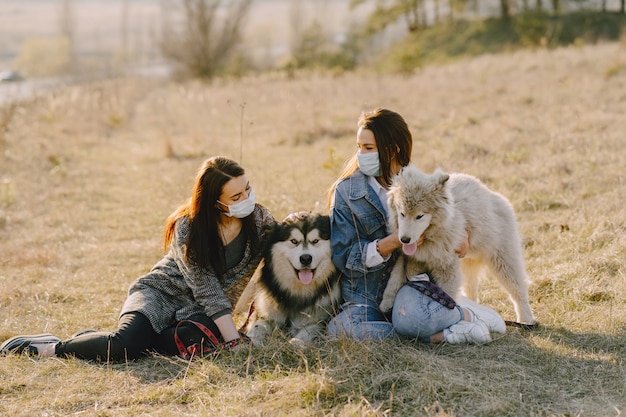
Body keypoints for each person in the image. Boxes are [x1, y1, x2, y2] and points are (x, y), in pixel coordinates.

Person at [1, 156, 275, 361]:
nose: (247, 199)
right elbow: (206, 288)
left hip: (195, 314)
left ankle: (102, 338)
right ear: (215, 202)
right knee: (123, 347)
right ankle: (51, 347)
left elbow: (286, 244)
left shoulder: (259, 220)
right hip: (160, 294)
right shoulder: (188, 228)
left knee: (166, 346)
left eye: (248, 190)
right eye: (236, 196)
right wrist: (233, 342)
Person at [326, 108, 506, 344]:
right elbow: (343, 257)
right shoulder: (347, 192)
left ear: (393, 149)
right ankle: (449, 332)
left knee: (409, 317)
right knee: (340, 330)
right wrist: (388, 244)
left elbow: (444, 222)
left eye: (368, 148)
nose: (361, 155)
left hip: (411, 284)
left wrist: (462, 238)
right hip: (365, 295)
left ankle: (463, 312)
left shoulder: (416, 185)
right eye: (359, 147)